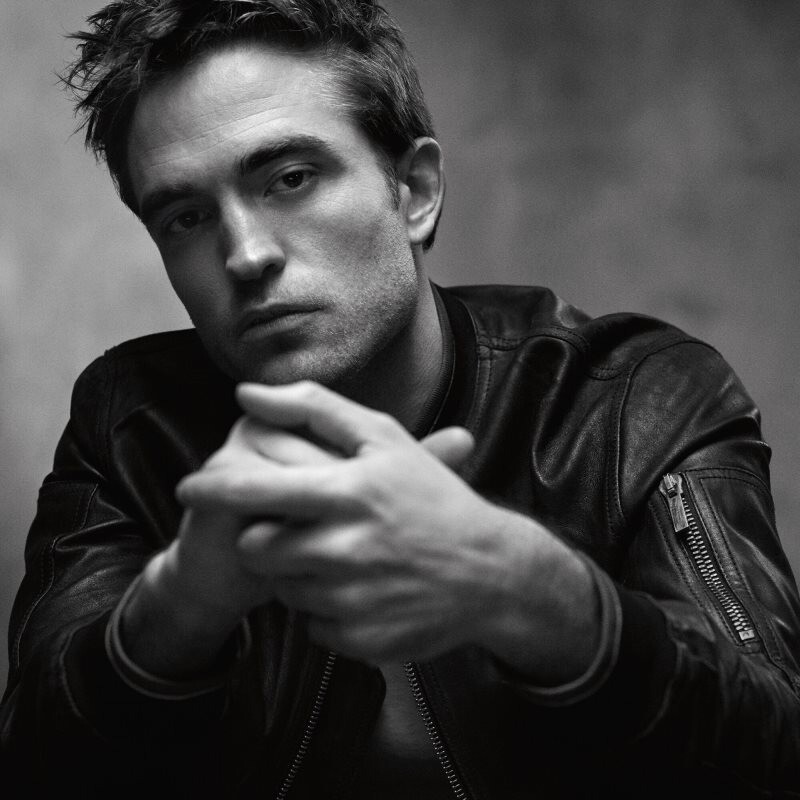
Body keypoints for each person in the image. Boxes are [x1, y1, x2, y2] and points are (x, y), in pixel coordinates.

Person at [1, 1, 799, 796]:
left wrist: (534, 592)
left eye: (290, 179)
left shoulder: (633, 402)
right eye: (184, 217)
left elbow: (775, 746)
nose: (244, 254)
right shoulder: (134, 424)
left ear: (414, 190)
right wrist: (182, 605)